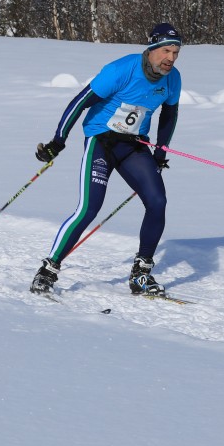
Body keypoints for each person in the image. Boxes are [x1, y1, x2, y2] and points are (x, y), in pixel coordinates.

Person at [29, 22, 182, 297]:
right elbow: (80, 102)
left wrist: (160, 152)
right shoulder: (121, 70)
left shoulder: (173, 79)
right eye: (166, 51)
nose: (170, 58)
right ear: (152, 49)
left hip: (133, 146)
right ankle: (48, 270)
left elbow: (169, 115)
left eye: (176, 52)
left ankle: (141, 274)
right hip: (101, 142)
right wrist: (58, 141)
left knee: (157, 201)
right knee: (89, 207)